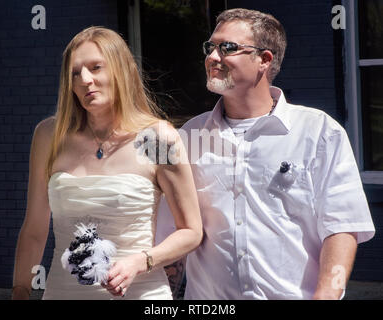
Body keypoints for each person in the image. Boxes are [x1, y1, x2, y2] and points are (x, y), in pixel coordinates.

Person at [156, 8, 375, 300]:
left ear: (264, 59)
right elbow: (175, 232)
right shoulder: (187, 138)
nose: (213, 57)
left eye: (228, 48)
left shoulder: (319, 131)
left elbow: (342, 228)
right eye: (210, 47)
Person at [12, 26, 202, 300]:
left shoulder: (157, 138)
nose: (84, 80)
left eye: (95, 67)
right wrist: (20, 291)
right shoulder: (48, 136)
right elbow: (34, 230)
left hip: (142, 294)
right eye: (75, 73)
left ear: (121, 70)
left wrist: (141, 261)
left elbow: (191, 231)